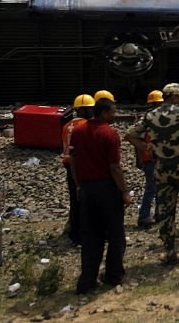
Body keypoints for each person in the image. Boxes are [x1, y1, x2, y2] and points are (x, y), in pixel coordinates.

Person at [125, 83, 179, 264]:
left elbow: (130, 135)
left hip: (162, 170)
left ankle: (170, 252)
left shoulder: (151, 115)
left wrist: (146, 147)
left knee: (165, 210)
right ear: (174, 97)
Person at [69, 98, 129, 294]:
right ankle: (114, 275)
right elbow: (114, 167)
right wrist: (124, 191)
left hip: (87, 189)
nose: (115, 115)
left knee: (91, 236)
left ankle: (87, 280)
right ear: (104, 113)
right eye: (113, 112)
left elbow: (73, 162)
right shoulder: (109, 133)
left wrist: (79, 186)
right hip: (107, 189)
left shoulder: (77, 131)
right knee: (115, 233)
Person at [60, 94, 95, 246]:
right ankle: (81, 234)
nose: (92, 111)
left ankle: (74, 232)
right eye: (90, 109)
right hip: (80, 166)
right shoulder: (86, 125)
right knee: (84, 199)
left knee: (75, 199)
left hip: (69, 165)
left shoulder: (67, 125)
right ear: (83, 110)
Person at [136, 90, 164, 228]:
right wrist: (140, 158)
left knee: (159, 188)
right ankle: (144, 216)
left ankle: (158, 214)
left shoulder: (153, 117)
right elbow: (137, 139)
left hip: (155, 159)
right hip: (151, 159)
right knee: (152, 189)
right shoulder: (147, 119)